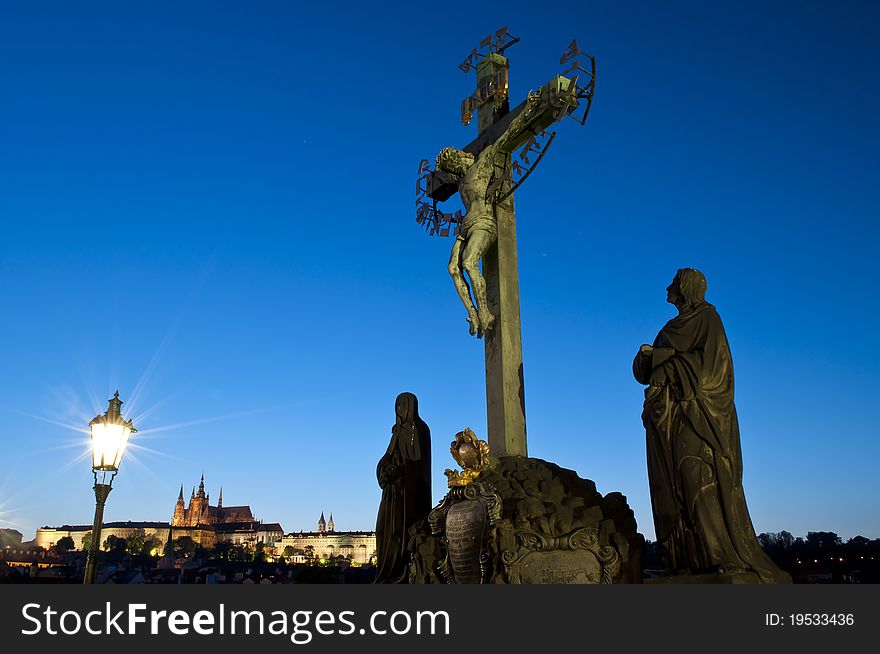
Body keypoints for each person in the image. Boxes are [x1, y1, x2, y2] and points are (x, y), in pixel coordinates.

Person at [633, 268, 790, 583]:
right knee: (671, 486)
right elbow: (646, 374)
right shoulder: (668, 329)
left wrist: (670, 362)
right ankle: (685, 558)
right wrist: (646, 358)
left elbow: (714, 373)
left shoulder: (708, 321)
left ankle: (719, 555)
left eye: (673, 284)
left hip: (700, 418)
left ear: (685, 288)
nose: (667, 287)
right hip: (668, 418)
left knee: (697, 478)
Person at [436, 92, 542, 338]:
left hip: (484, 220)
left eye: (455, 163)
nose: (456, 168)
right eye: (452, 168)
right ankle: (472, 313)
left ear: (461, 157)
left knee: (469, 263)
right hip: (466, 227)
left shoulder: (482, 163)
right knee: (453, 268)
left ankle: (485, 312)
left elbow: (506, 134)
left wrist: (530, 107)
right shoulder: (462, 182)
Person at [374, 392, 432, 583]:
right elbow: (387, 456)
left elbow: (416, 463)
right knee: (383, 529)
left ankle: (403, 570)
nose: (398, 408)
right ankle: (386, 571)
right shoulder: (396, 431)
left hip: (408, 493)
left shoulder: (420, 429)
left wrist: (398, 471)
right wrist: (384, 471)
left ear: (411, 406)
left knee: (401, 530)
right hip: (392, 491)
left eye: (402, 404)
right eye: (396, 404)